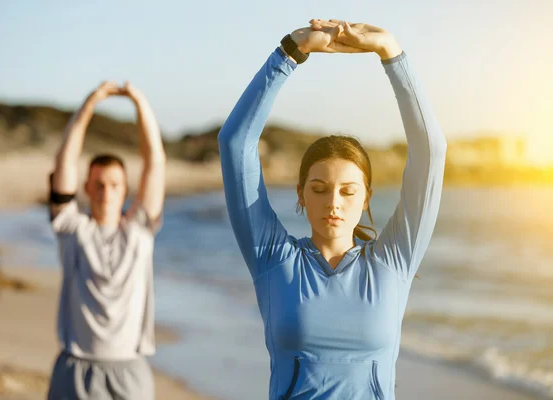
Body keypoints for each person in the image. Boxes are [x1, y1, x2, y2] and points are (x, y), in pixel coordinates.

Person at [218, 19, 447, 399]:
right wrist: (289, 52)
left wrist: (391, 52)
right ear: (301, 195)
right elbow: (235, 142)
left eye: (348, 191)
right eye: (320, 189)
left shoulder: (393, 261)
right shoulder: (273, 259)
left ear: (367, 198)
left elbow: (431, 151)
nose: (334, 203)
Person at [46, 81, 165, 400]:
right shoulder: (72, 229)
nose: (105, 191)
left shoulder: (140, 231)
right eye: (98, 184)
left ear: (126, 190)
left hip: (130, 371)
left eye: (114, 184)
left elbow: (154, 162)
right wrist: (90, 103)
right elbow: (64, 162)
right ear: (87, 188)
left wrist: (140, 102)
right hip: (75, 369)